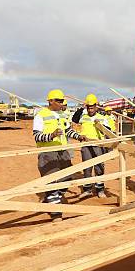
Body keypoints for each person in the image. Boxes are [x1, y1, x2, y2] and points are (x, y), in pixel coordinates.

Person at [33, 89, 87, 221]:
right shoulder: (41, 115)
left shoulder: (62, 115)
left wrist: (79, 136)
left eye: (62, 100)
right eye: (58, 100)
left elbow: (68, 131)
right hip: (48, 153)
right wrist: (51, 136)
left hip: (63, 151)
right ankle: (56, 213)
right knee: (51, 182)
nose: (61, 103)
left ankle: (52, 198)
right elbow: (37, 136)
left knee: (67, 178)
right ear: (50, 101)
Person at [72, 94, 109, 199]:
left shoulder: (102, 118)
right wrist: (82, 108)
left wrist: (101, 125)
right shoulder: (83, 117)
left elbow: (108, 131)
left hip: (98, 146)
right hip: (86, 146)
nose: (90, 109)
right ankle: (87, 190)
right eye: (88, 107)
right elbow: (74, 119)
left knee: (99, 169)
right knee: (87, 168)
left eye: (92, 107)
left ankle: (100, 190)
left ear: (96, 107)